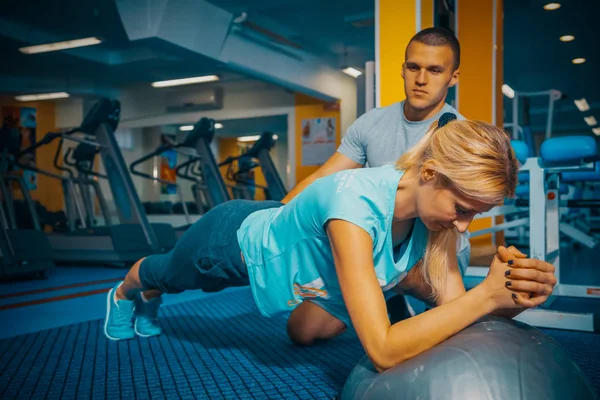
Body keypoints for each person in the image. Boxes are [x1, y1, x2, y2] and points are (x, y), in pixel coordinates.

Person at [104, 116, 557, 372]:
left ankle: (383, 294)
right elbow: (382, 350)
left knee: (302, 335)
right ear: (430, 173)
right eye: (462, 209)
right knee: (165, 276)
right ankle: (126, 294)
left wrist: (514, 292)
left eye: (475, 215)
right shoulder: (352, 208)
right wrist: (485, 295)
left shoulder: (432, 220)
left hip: (304, 268)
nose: (463, 227)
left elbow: (457, 307)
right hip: (231, 244)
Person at [283, 26, 465, 333]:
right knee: (302, 331)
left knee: (448, 325)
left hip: (431, 248)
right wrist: (276, 217)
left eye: (435, 70)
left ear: (453, 77)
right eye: (414, 67)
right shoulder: (371, 123)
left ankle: (392, 287)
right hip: (378, 247)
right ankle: (387, 297)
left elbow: (455, 210)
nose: (421, 79)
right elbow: (324, 176)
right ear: (403, 69)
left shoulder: (459, 133)